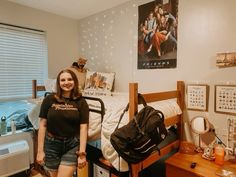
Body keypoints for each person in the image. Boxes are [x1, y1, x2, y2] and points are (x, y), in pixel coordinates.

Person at [36, 69, 89, 177]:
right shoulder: (49, 99)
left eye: (70, 79)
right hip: (51, 144)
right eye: (63, 80)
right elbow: (42, 125)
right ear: (59, 83)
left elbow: (83, 128)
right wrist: (40, 151)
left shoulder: (81, 102)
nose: (66, 82)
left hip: (72, 145)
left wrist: (82, 154)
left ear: (74, 81)